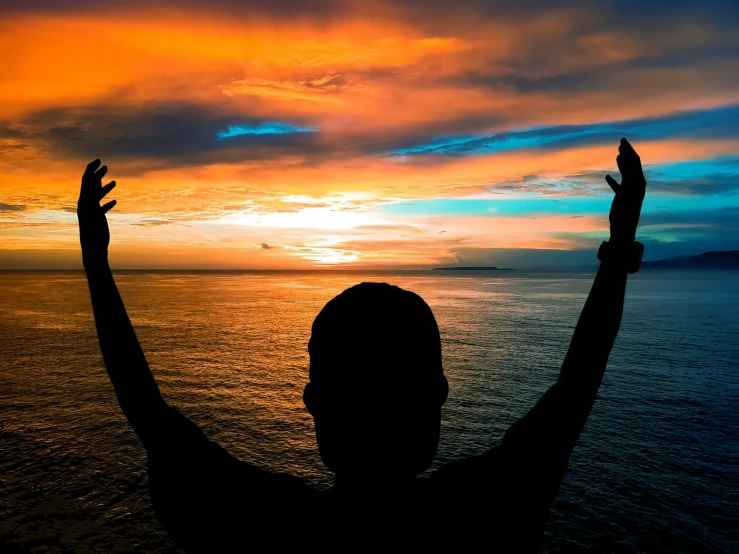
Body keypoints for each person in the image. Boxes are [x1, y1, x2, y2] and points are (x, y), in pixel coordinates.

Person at [77, 138, 647, 552]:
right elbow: (575, 387)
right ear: (439, 393)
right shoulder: (481, 514)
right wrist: (619, 247)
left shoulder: (269, 528)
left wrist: (97, 266)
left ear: (313, 401)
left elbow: (149, 412)